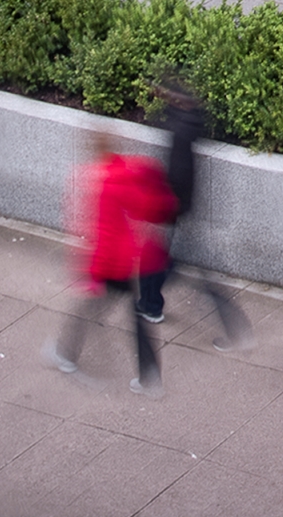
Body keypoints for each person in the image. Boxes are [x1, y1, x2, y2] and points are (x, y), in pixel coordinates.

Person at [45, 121, 172, 395]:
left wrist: (92, 273)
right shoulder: (125, 172)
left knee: (92, 308)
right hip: (128, 259)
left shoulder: (100, 181)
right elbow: (144, 207)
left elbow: (103, 233)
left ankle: (66, 354)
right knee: (131, 316)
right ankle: (150, 377)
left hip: (111, 263)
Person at [135, 69, 248, 351]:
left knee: (170, 266)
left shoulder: (182, 131)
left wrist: (166, 201)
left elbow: (179, 172)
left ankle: (152, 305)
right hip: (181, 207)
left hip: (173, 207)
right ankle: (150, 303)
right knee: (169, 264)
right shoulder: (190, 122)